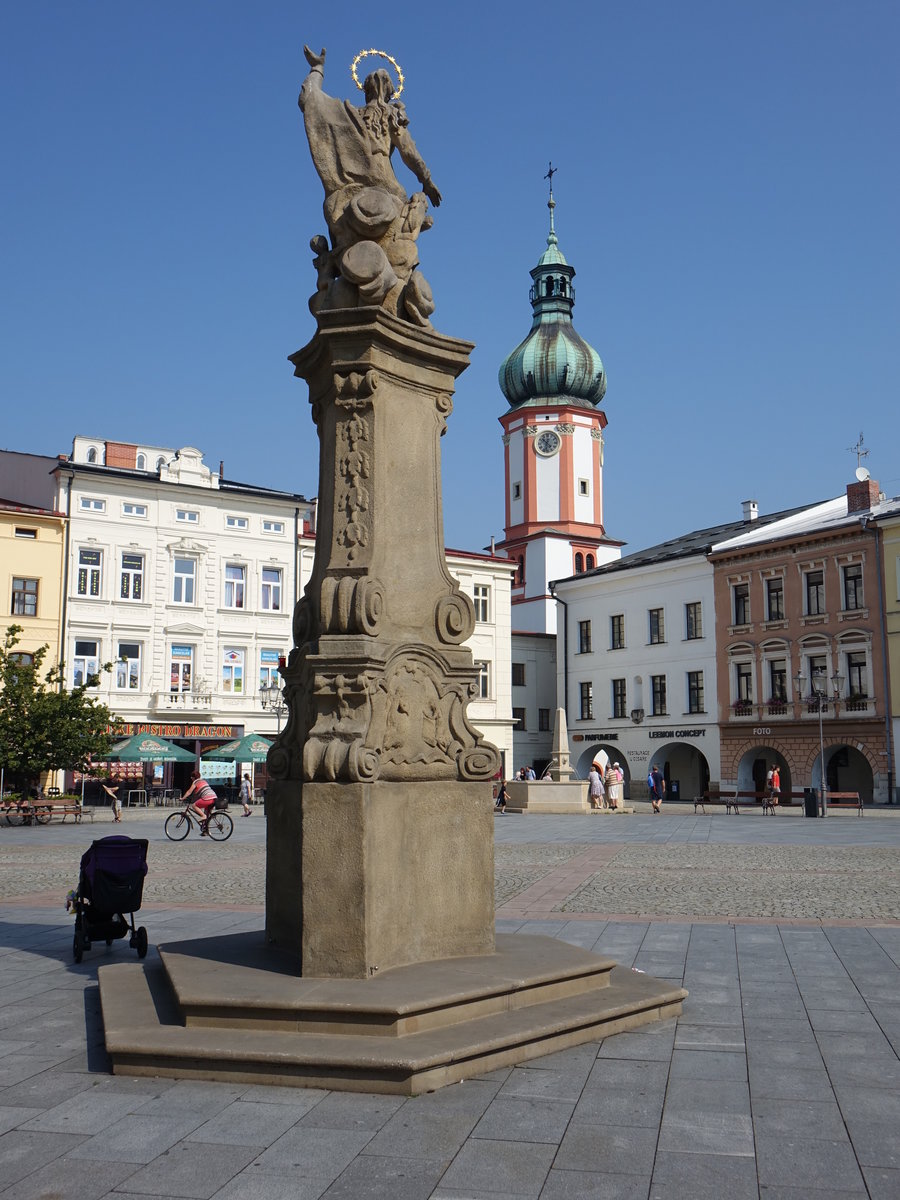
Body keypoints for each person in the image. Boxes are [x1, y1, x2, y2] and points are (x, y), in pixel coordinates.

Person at [181, 770, 218, 835]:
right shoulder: (203, 781)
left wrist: (183, 798)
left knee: (194, 806)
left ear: (193, 777)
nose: (191, 778)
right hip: (214, 797)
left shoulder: (195, 782)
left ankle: (203, 816)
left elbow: (189, 792)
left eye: (191, 777)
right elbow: (198, 794)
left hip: (207, 798)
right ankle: (205, 830)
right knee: (206, 813)